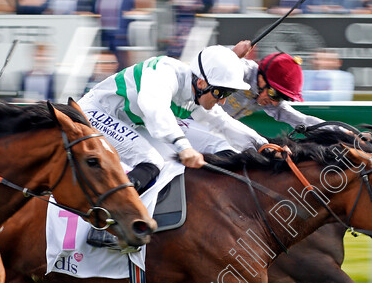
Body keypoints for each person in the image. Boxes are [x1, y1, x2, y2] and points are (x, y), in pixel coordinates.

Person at [78, 45, 264, 247]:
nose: (224, 100)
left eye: (229, 93)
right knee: (151, 161)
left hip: (128, 121)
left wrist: (262, 145)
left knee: (170, 166)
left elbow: (222, 123)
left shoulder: (196, 91)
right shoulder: (164, 73)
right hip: (96, 113)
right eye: (221, 92)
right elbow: (155, 110)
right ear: (202, 82)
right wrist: (183, 146)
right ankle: (103, 226)